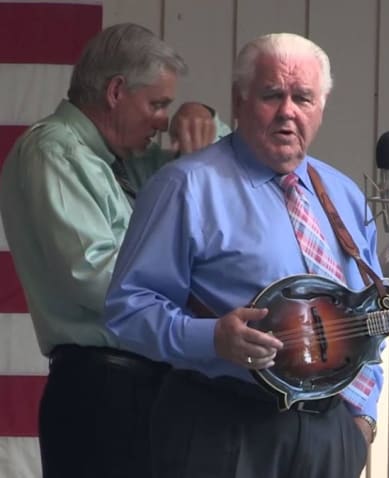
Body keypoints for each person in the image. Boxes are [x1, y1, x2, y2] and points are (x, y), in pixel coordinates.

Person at [103, 32, 382, 478]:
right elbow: (128, 309)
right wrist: (212, 338)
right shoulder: (186, 187)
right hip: (223, 424)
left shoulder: (346, 196)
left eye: (303, 98)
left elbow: (367, 316)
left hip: (330, 434)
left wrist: (362, 418)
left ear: (322, 108)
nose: (288, 111)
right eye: (272, 95)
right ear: (239, 100)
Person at [0, 23, 226, 478]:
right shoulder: (54, 152)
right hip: (102, 389)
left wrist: (202, 117)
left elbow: (212, 167)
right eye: (158, 104)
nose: (164, 120)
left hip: (141, 389)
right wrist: (200, 314)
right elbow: (98, 276)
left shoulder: (120, 164)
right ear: (116, 91)